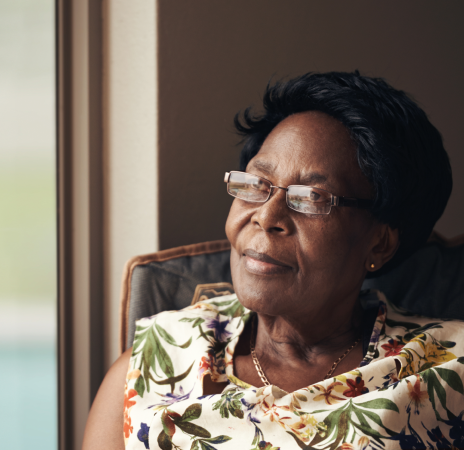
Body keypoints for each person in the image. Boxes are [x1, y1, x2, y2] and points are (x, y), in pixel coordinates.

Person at [83, 72, 464, 450]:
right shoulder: (153, 362)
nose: (266, 216)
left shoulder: (447, 368)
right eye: (255, 185)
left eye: (312, 197)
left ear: (379, 244)